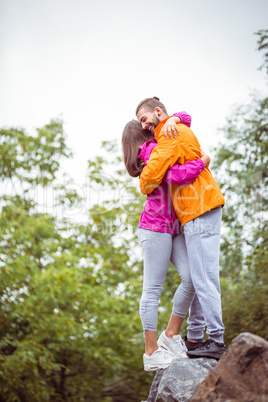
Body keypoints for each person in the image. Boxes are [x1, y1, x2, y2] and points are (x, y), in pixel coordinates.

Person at [136, 97, 227, 360]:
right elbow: (184, 116)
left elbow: (149, 179)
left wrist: (201, 161)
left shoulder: (167, 133)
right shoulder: (177, 126)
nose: (144, 126)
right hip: (199, 208)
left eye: (145, 119)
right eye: (141, 123)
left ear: (158, 111)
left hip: (197, 209)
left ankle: (215, 340)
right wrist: (203, 159)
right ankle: (195, 337)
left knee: (202, 277)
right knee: (199, 276)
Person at [122, 114, 210, 371]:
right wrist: (203, 162)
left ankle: (170, 336)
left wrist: (173, 118)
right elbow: (176, 175)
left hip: (173, 226)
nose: (150, 127)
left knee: (193, 276)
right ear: (141, 135)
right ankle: (151, 352)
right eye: (145, 126)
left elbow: (187, 118)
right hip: (155, 228)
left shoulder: (160, 141)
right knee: (152, 291)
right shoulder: (149, 150)